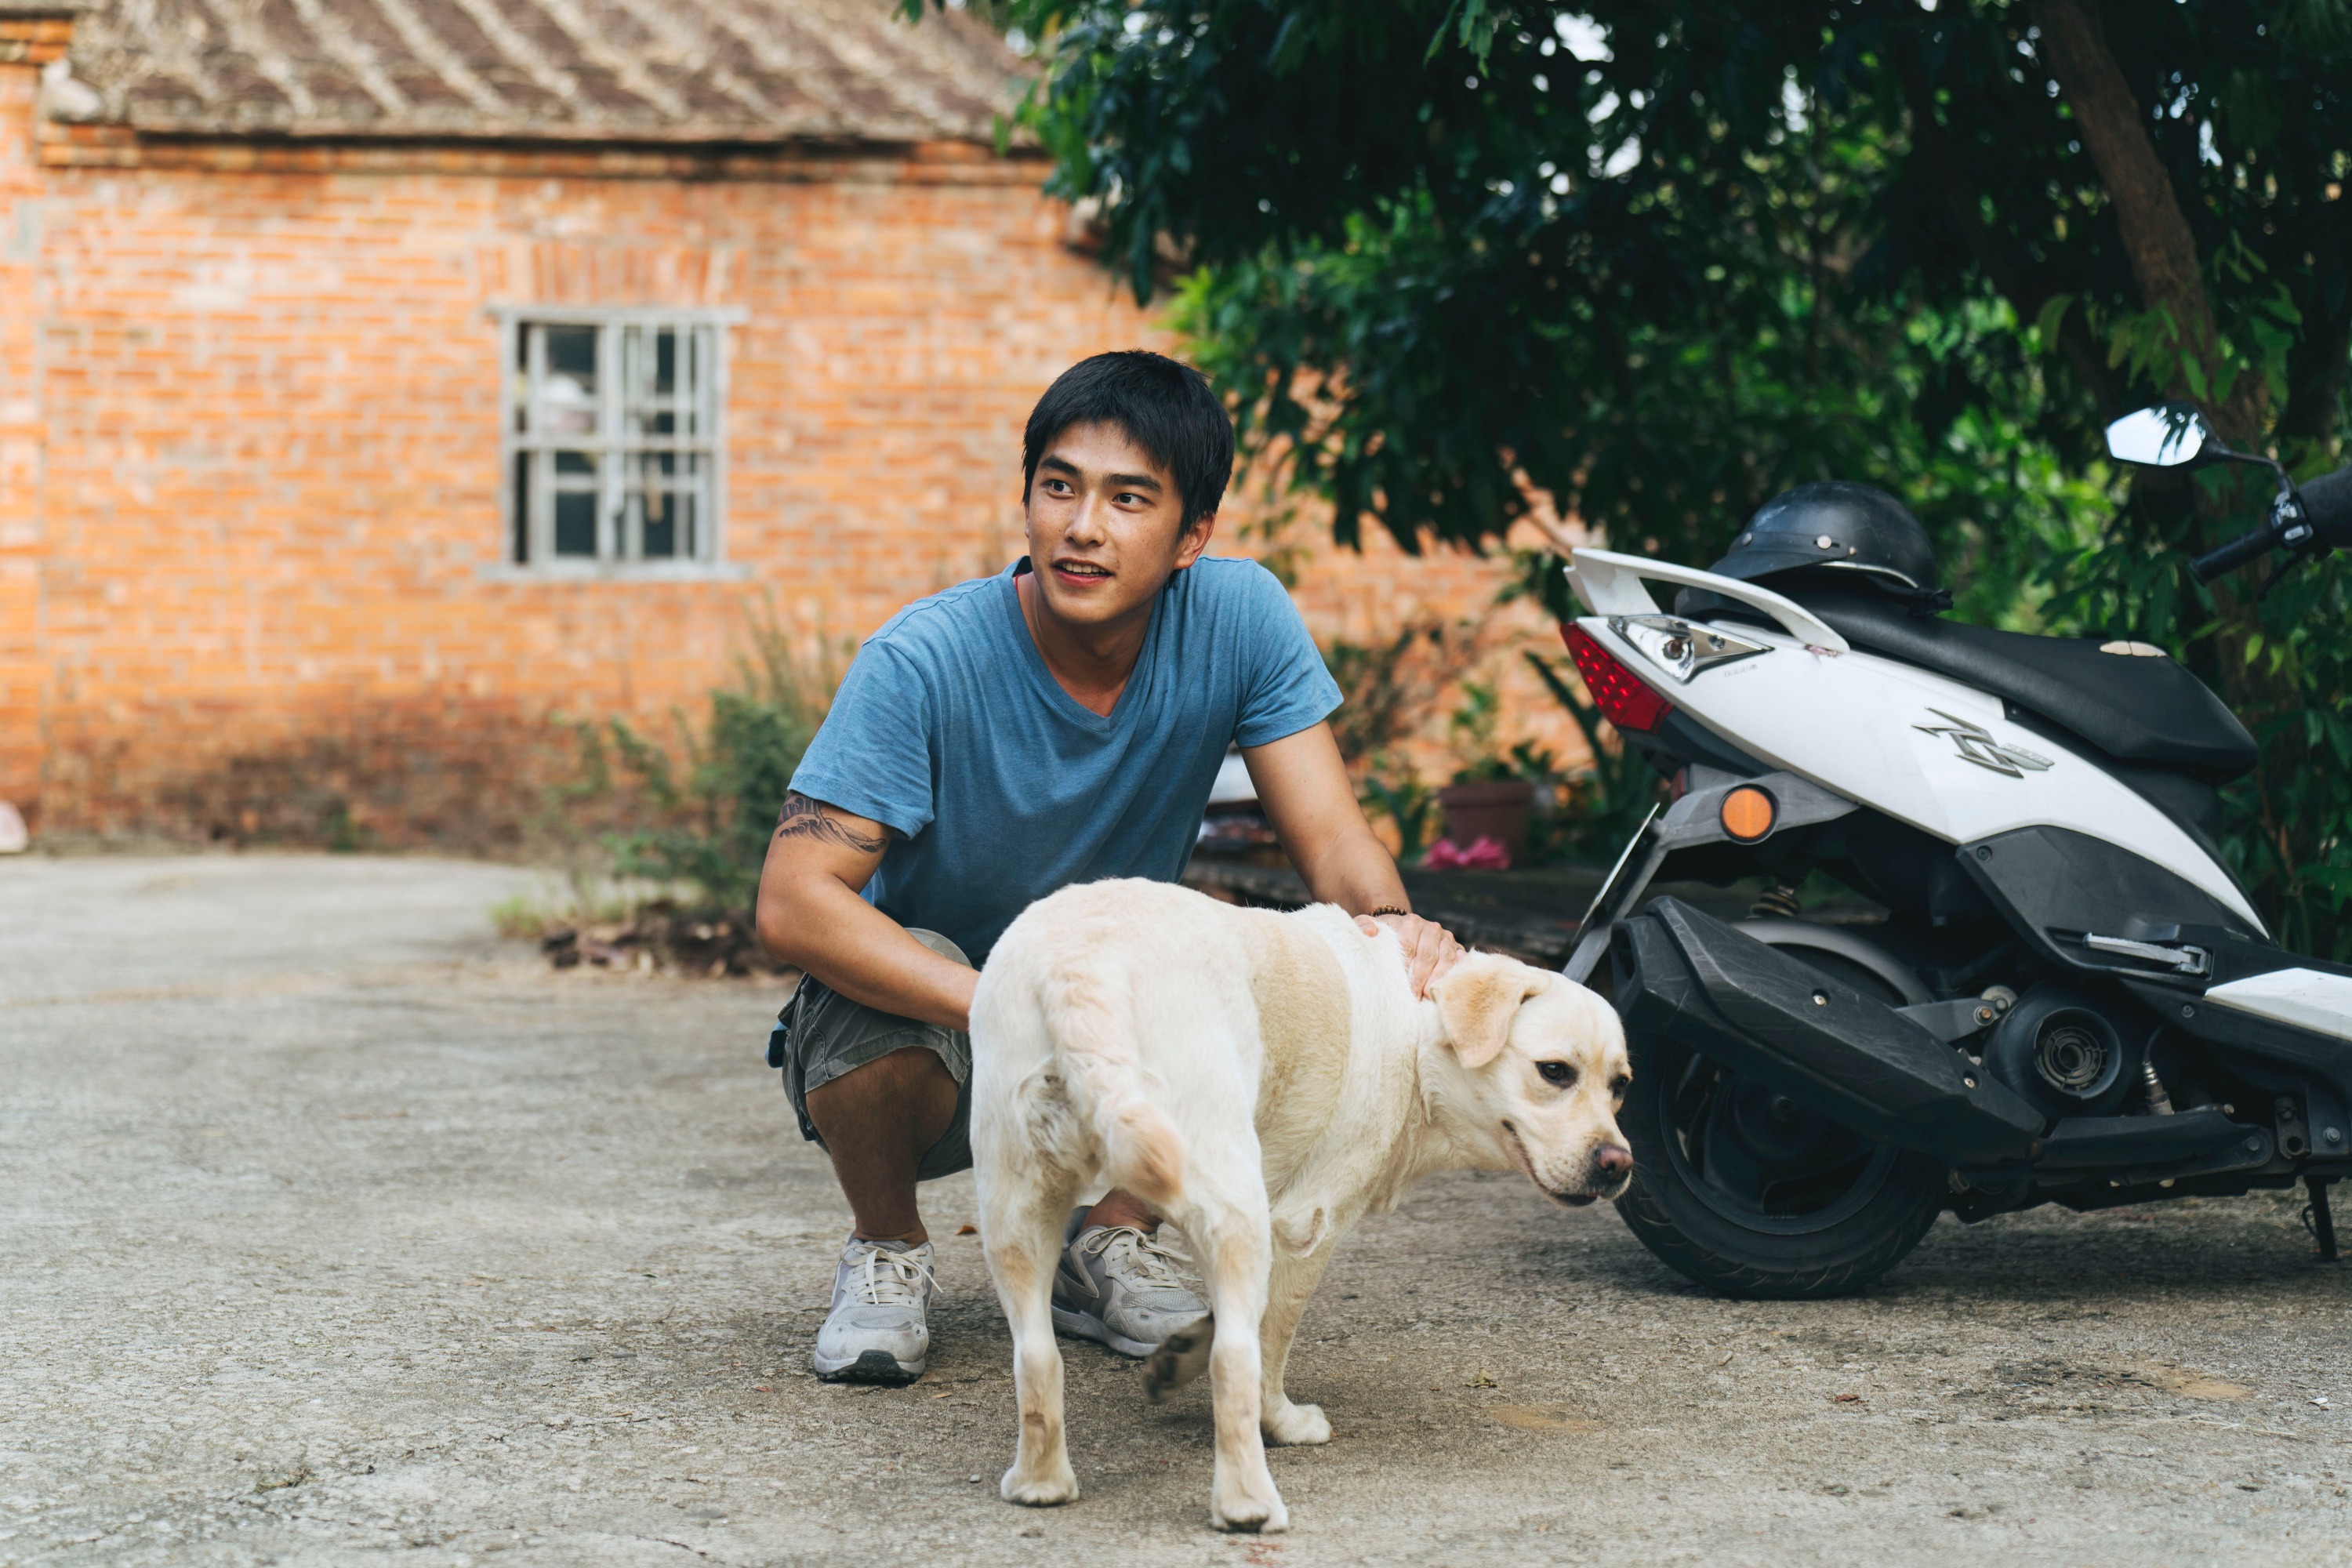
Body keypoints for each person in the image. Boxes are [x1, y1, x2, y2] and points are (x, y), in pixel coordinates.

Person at [754, 350, 1463, 1385]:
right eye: (1060, 487)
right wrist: (1013, 1002)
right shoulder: (923, 660)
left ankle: (1110, 1240)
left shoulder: (1237, 619)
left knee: (1254, 966)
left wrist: (1391, 929)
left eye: (1129, 499)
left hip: (1126, 1023)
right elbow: (793, 901)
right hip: (939, 1035)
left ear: (1191, 536)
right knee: (871, 980)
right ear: (1028, 501)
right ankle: (888, 1245)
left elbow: (1333, 838)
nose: (1082, 527)